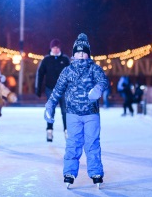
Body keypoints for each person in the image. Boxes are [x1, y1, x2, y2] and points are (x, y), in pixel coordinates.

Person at [44, 33, 108, 188]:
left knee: (92, 143)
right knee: (73, 143)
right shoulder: (67, 71)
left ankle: (96, 173)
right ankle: (69, 172)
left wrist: (98, 88)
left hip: (91, 113)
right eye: (78, 52)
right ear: (73, 54)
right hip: (72, 113)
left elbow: (103, 80)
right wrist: (50, 104)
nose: (80, 54)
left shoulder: (94, 69)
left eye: (84, 52)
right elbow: (58, 89)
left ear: (88, 54)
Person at [35, 38, 70, 142]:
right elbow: (40, 74)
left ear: (60, 48)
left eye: (57, 47)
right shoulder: (46, 60)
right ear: (51, 48)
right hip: (50, 89)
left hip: (63, 90)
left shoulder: (65, 59)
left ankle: (67, 131)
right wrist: (38, 89)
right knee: (51, 110)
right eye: (54, 47)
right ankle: (49, 131)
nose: (55, 49)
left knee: (65, 111)